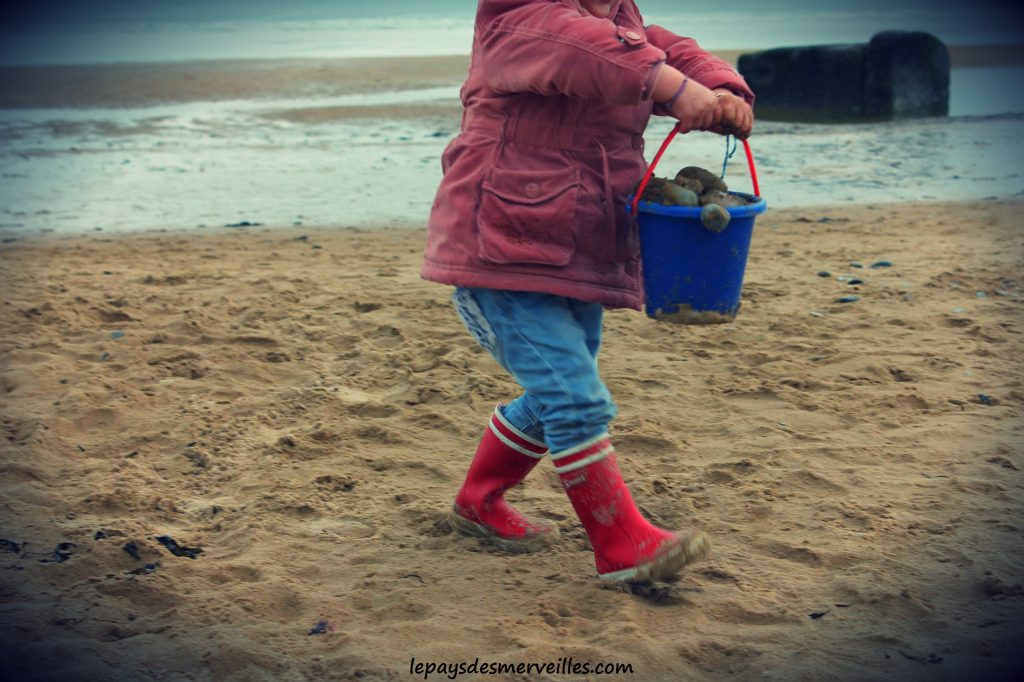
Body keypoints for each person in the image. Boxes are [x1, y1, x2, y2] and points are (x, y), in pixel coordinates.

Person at [421, 0, 755, 583]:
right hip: (497, 245)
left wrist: (719, 88)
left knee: (560, 388)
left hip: (576, 245)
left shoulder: (622, 21)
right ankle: (621, 544)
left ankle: (479, 501)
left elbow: (663, 46)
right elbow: (580, 47)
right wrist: (673, 90)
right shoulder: (516, 17)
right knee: (576, 397)